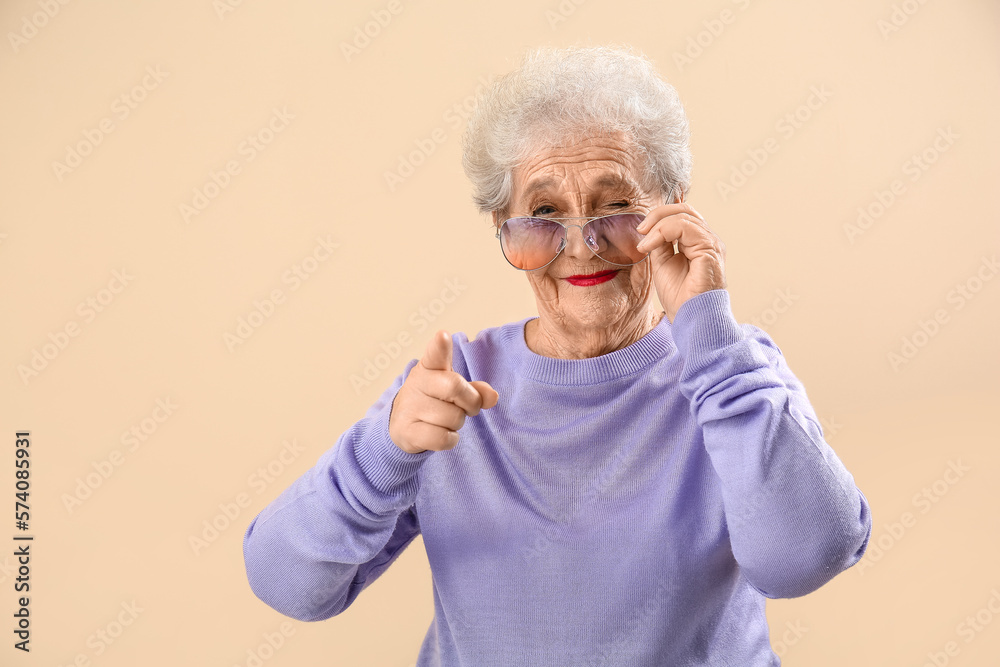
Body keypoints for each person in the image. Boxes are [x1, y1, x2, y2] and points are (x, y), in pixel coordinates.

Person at [242, 43, 872, 666]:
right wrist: (383, 452)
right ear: (502, 227)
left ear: (672, 204)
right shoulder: (453, 385)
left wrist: (707, 338)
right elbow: (287, 584)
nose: (582, 245)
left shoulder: (728, 367)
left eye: (617, 204)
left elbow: (804, 557)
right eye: (544, 213)